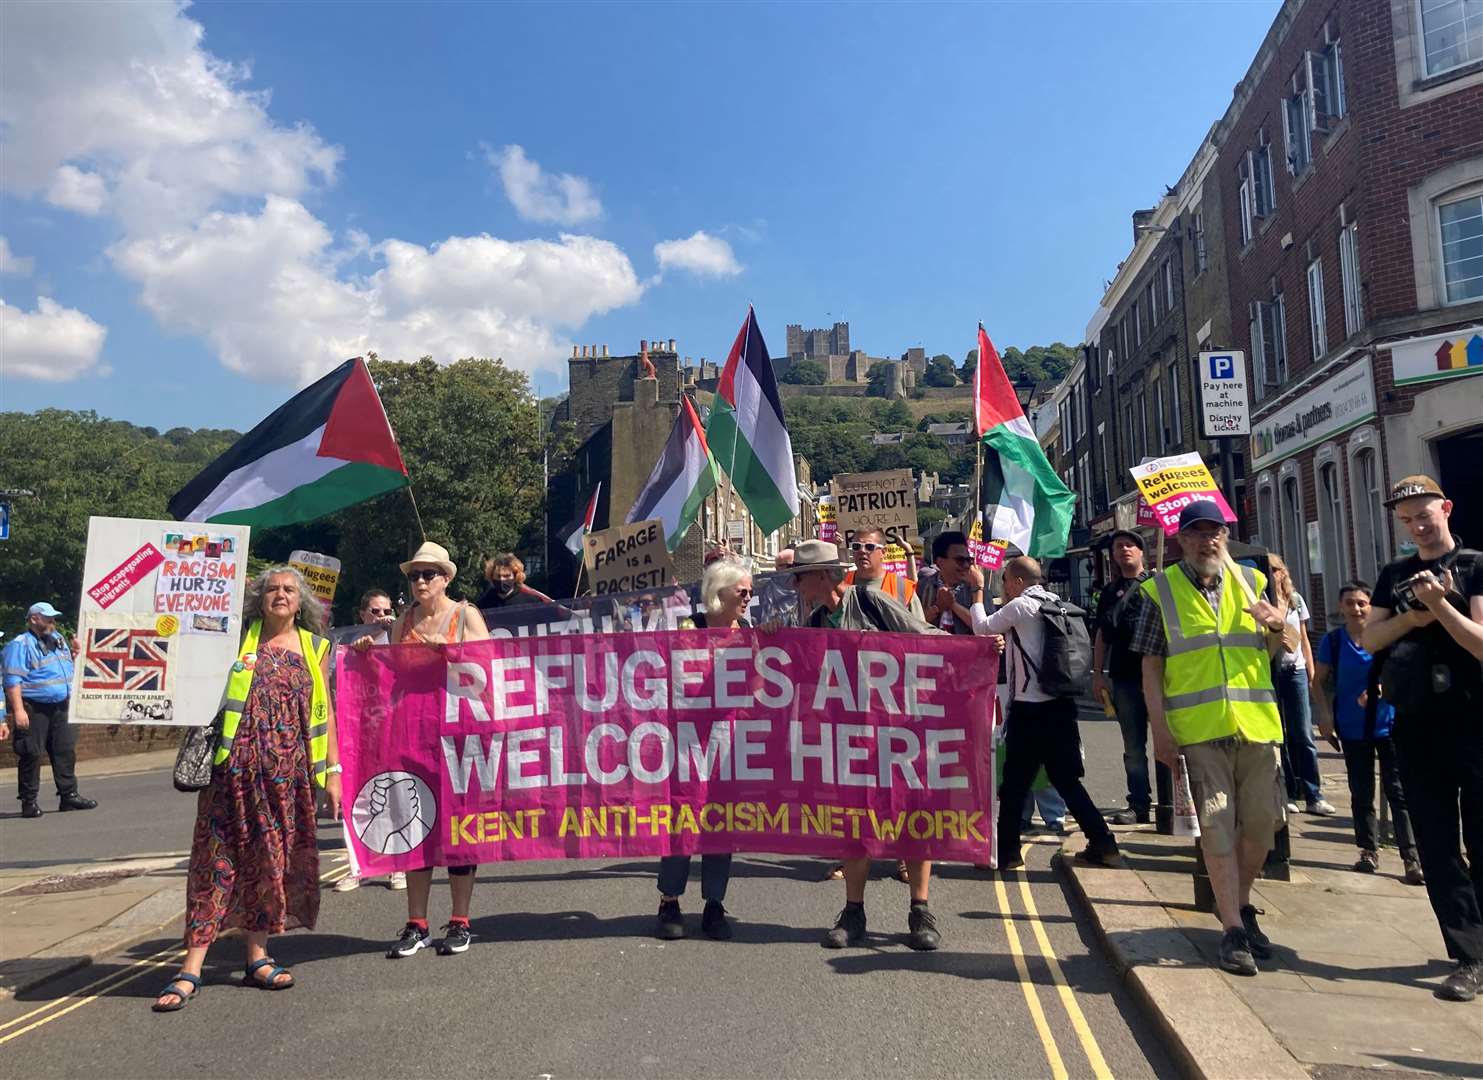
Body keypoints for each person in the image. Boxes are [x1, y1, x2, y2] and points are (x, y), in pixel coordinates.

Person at [153, 567, 340, 1011]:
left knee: (268, 865)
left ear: (302, 602)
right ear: (260, 598)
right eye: (273, 588)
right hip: (230, 775)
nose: (280, 595)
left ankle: (257, 957)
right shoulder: (236, 641)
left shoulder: (317, 648)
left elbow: (325, 709)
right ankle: (191, 968)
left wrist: (333, 771)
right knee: (214, 865)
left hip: (287, 781)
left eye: (289, 590)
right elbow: (175, 658)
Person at [1131, 500, 1288, 977]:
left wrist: (1278, 625)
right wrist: (1159, 730)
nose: (1208, 540)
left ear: (1226, 535)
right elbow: (1151, 667)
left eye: (1215, 531)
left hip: (1257, 725)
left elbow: (1283, 646)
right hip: (1199, 732)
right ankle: (1234, 928)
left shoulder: (1254, 583)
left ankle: (1239, 904)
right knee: (1218, 825)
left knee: (1263, 824)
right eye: (1197, 533)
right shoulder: (1159, 591)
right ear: (1181, 540)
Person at [782, 538, 946, 952]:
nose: (796, 585)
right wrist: (769, 636)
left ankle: (920, 910)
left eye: (800, 577)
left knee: (912, 819)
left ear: (822, 575)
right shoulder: (817, 623)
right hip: (850, 741)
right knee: (854, 825)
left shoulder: (872, 602)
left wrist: (978, 648)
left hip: (899, 731)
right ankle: (853, 912)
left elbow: (924, 637)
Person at [1361, 475, 1483, 1003]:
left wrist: (1442, 608)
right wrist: (1412, 614)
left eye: (1423, 514)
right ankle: (1469, 955)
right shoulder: (1394, 574)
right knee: (1435, 842)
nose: (1416, 525)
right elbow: (1369, 638)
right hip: (1415, 720)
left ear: (1446, 508)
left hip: (1474, 720)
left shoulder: (1476, 566)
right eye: (1407, 518)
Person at [358, 542, 491, 959]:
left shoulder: (464, 615)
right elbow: (389, 675)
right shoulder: (402, 623)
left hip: (457, 733)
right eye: (414, 575)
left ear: (446, 578)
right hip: (411, 733)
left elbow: (487, 669)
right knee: (412, 824)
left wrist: (452, 653)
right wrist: (367, 654)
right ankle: (417, 924)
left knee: (458, 827)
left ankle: (460, 921)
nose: (420, 581)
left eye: (428, 574)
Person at [971, 557, 1119, 872]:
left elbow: (982, 629)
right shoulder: (1058, 604)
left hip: (1030, 708)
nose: (1005, 588)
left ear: (1019, 582)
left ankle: (1008, 854)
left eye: (1006, 581)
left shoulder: (1021, 607)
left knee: (1013, 785)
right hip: (1061, 705)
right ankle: (1103, 842)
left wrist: (978, 592)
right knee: (1066, 780)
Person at [655, 558, 751, 941]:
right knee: (683, 816)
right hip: (686, 742)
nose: (748, 597)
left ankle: (714, 902)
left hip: (729, 741)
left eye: (750, 591)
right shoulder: (685, 629)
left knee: (720, 820)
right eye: (741, 590)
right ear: (719, 593)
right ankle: (669, 900)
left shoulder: (749, 632)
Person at [1313, 579, 1423, 884]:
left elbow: (1404, 672)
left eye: (1362, 603)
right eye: (1350, 603)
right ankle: (1367, 850)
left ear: (1370, 606)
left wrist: (1379, 688)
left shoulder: (1386, 638)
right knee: (1361, 791)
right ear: (1341, 607)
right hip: (1351, 726)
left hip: (1388, 725)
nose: (1356, 608)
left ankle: (1411, 856)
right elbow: (1318, 680)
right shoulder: (1333, 642)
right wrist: (1324, 714)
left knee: (1398, 791)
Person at [333, 589, 407, 894]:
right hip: (359, 732)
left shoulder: (399, 639)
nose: (383, 617)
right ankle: (357, 867)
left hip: (393, 728)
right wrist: (360, 650)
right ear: (362, 614)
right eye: (376, 612)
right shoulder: (349, 643)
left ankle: (398, 865)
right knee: (358, 798)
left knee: (398, 795)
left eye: (387, 611)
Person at [2, 602, 97, 818]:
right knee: (31, 753)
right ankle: (29, 801)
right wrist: (18, 710)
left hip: (61, 705)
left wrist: (75, 654)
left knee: (65, 750)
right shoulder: (19, 645)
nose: (53, 622)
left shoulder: (59, 640)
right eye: (48, 618)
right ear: (34, 619)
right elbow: (12, 681)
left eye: (53, 618)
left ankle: (69, 796)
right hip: (35, 707)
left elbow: (64, 669)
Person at [1092, 531, 1156, 826]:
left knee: (1171, 743)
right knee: (1133, 747)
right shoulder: (1109, 591)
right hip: (1125, 677)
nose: (1124, 550)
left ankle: (1174, 803)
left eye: (1130, 545)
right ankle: (1139, 803)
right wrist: (1097, 675)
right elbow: (1102, 636)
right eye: (1118, 547)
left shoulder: (1159, 585)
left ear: (1142, 551)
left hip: (1160, 676)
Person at [1267, 554, 1334, 816]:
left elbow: (1304, 638)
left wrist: (1311, 671)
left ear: (1284, 572)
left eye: (1277, 569)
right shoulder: (1262, 601)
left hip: (1295, 671)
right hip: (1272, 671)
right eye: (1269, 570)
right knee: (1279, 734)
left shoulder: (1295, 601)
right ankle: (1289, 792)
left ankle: (1314, 794)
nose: (1274, 574)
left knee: (1303, 733)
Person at [843, 527, 925, 620]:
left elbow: (920, 631)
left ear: (883, 552)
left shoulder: (903, 588)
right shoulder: (842, 584)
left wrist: (909, 552)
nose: (862, 551)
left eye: (869, 547)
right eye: (856, 546)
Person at [473, 553, 551, 611]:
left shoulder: (532, 601)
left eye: (506, 576)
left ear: (515, 577)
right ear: (491, 577)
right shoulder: (483, 604)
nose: (502, 579)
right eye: (498, 576)